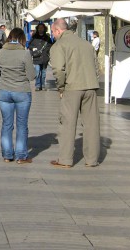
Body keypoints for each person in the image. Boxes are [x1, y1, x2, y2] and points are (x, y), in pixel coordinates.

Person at [49, 17, 100, 168]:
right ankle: (92, 160)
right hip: (90, 86)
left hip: (72, 87)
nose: (53, 35)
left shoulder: (59, 45)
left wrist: (61, 87)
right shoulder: (86, 44)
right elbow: (97, 67)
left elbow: (58, 69)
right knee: (92, 124)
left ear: (58, 30)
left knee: (67, 123)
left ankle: (65, 159)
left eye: (53, 32)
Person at [0, 28, 35, 164]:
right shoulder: (25, 53)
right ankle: (21, 156)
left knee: (6, 124)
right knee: (22, 124)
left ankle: (7, 155)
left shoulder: (1, 52)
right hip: (21, 91)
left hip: (4, 91)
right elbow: (31, 76)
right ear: (22, 39)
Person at [28, 23, 52, 91]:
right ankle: (38, 85)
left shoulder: (47, 38)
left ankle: (43, 85)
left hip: (44, 57)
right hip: (37, 57)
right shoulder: (34, 37)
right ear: (37, 29)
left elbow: (50, 45)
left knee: (43, 72)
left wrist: (46, 51)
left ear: (44, 29)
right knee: (37, 71)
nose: (40, 29)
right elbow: (30, 46)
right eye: (39, 28)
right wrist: (34, 50)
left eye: (42, 28)